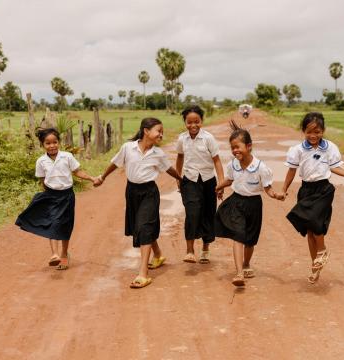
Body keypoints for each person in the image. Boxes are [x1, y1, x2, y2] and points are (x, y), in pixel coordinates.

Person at [96, 118, 182, 289]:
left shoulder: (158, 153)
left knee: (144, 226)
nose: (161, 134)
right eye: (158, 130)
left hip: (150, 192)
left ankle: (143, 273)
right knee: (140, 226)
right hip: (132, 192)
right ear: (146, 131)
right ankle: (157, 255)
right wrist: (102, 177)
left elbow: (169, 169)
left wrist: (181, 179)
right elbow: (115, 163)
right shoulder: (128, 148)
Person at [279, 112, 344, 283]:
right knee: (311, 231)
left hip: (324, 190)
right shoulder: (297, 150)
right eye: (309, 132)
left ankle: (323, 250)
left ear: (323, 130)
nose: (314, 136)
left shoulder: (330, 147)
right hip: (306, 190)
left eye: (317, 132)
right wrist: (283, 189)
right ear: (303, 131)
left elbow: (335, 167)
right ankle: (315, 266)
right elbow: (292, 170)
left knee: (315, 222)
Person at [16, 128, 100, 270]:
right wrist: (46, 194)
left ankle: (64, 255)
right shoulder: (41, 161)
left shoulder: (67, 156)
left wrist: (92, 178)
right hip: (51, 195)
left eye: (55, 142)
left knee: (65, 225)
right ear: (43, 145)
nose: (52, 145)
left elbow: (77, 171)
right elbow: (42, 179)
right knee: (52, 222)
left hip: (67, 196)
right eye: (48, 143)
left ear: (59, 142)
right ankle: (54, 254)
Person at [215, 121, 284, 287]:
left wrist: (276, 195)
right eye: (232, 148)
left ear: (249, 146)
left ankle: (246, 264)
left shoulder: (261, 168)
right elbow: (230, 179)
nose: (235, 151)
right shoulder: (232, 164)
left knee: (250, 240)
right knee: (238, 235)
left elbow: (268, 189)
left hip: (254, 205)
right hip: (237, 202)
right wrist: (218, 187)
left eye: (238, 147)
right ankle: (239, 273)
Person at [176, 105, 225, 264]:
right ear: (185, 122)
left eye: (196, 121)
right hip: (189, 180)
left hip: (208, 181)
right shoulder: (182, 139)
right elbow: (179, 158)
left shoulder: (208, 138)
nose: (193, 125)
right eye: (189, 122)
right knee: (192, 213)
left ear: (202, 121)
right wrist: (178, 178)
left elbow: (217, 160)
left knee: (208, 213)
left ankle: (205, 248)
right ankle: (189, 250)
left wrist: (221, 183)